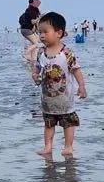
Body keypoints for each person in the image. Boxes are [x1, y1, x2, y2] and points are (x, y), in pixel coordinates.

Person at [32, 11, 88, 159]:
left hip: (65, 100)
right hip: (48, 100)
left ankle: (68, 147)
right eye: (40, 32)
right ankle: (48, 147)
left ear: (59, 33)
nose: (41, 35)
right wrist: (35, 75)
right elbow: (37, 67)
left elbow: (76, 70)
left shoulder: (66, 53)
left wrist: (82, 86)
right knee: (48, 124)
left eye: (45, 32)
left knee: (68, 124)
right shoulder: (41, 53)